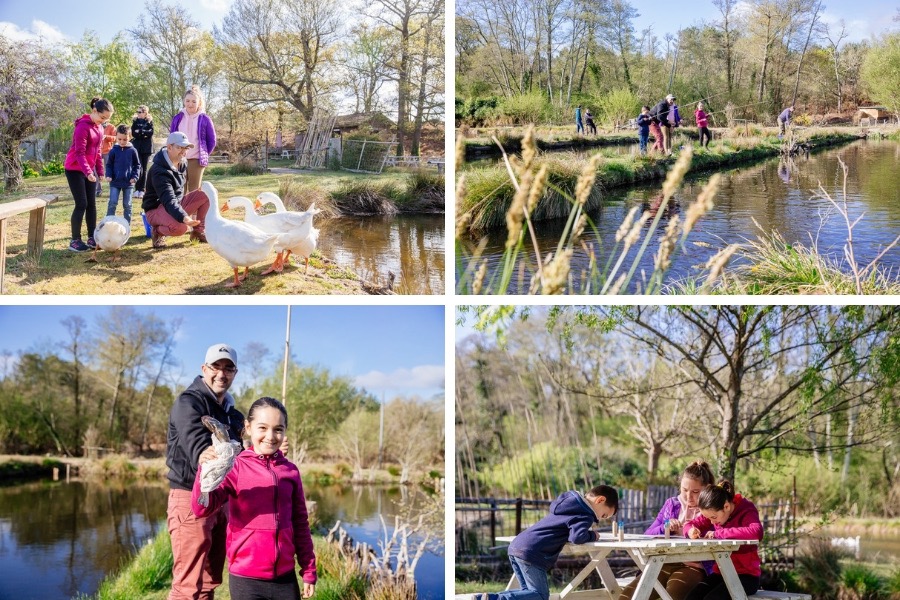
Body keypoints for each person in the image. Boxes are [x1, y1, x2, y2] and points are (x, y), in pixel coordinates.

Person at [192, 397, 317, 600]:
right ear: (248, 428)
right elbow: (201, 509)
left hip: (285, 578)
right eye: (262, 428)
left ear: (285, 432)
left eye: (278, 429)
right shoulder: (235, 466)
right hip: (246, 579)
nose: (270, 436)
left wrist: (308, 570)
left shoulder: (291, 472)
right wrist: (205, 472)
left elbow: (301, 523)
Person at [166, 344, 245, 600]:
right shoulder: (189, 401)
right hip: (191, 498)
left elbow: (243, 456)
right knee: (187, 586)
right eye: (216, 367)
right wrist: (204, 453)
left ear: (235, 373)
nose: (221, 374)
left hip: (221, 501)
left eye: (228, 368)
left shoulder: (234, 415)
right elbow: (195, 443)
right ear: (204, 369)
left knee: (211, 581)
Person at [481, 485, 619, 600]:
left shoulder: (570, 506)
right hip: (532, 553)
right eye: (604, 515)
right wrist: (593, 535)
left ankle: (486, 598)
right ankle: (492, 599)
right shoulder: (584, 514)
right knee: (540, 596)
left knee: (527, 593)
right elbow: (577, 537)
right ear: (600, 500)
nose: (600, 519)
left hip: (518, 545)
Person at [618, 461, 716, 600]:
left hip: (694, 567)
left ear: (707, 489)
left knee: (673, 596)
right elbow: (648, 535)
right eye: (684, 490)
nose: (689, 497)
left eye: (695, 492)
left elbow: (719, 536)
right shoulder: (672, 504)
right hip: (662, 563)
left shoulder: (712, 509)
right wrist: (666, 527)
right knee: (627, 597)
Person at [684, 481, 764, 600]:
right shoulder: (714, 511)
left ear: (726, 506)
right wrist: (691, 530)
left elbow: (757, 532)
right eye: (708, 518)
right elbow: (689, 524)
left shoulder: (746, 509)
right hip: (721, 573)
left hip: (747, 577)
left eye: (713, 518)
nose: (711, 522)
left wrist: (719, 533)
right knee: (692, 597)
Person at [141, 132, 210, 249]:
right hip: (156, 208)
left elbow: (177, 196)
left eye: (186, 148)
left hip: (175, 204)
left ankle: (198, 232)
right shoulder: (159, 171)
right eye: (179, 147)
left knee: (208, 193)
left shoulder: (182, 163)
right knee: (181, 228)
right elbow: (168, 199)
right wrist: (184, 217)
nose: (183, 151)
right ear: (169, 147)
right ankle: (157, 231)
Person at [63, 97, 114, 253]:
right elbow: (79, 152)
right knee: (82, 204)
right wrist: (87, 171)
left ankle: (92, 237)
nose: (103, 121)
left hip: (88, 170)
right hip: (74, 169)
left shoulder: (99, 128)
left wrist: (100, 172)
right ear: (94, 111)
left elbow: (98, 152)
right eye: (102, 117)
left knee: (91, 204)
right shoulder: (82, 127)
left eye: (106, 119)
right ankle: (75, 241)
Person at [170, 85, 217, 192]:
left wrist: (203, 153)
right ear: (184, 101)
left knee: (194, 191)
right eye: (187, 101)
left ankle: (192, 210)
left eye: (193, 101)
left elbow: (212, 140)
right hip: (179, 158)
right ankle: (179, 209)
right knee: (179, 189)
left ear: (199, 103)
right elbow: (172, 137)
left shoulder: (205, 119)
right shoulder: (178, 118)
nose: (190, 104)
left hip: (196, 159)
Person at [104, 124, 141, 224]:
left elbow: (137, 165)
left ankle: (126, 226)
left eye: (125, 139)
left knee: (127, 205)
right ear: (116, 137)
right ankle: (108, 224)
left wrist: (135, 177)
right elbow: (109, 165)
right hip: (115, 182)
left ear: (130, 137)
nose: (122, 142)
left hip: (128, 183)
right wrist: (108, 175)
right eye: (119, 139)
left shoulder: (133, 151)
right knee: (112, 203)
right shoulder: (113, 151)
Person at [131, 105, 155, 199]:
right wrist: (143, 132)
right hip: (137, 147)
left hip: (146, 147)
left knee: (144, 168)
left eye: (140, 112)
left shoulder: (149, 122)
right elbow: (133, 133)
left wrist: (140, 132)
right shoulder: (135, 121)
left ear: (145, 113)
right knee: (138, 167)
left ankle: (142, 189)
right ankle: (137, 189)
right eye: (138, 112)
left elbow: (150, 133)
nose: (138, 113)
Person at [97, 121, 117, 197]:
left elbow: (115, 138)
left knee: (109, 170)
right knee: (96, 170)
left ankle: (112, 189)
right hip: (97, 151)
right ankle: (98, 190)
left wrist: (106, 136)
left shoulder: (111, 127)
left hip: (107, 151)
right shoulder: (96, 125)